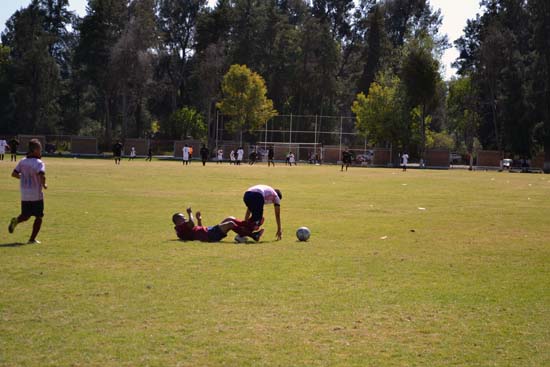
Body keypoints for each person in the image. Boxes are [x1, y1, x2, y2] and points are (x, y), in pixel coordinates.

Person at [8, 139, 47, 244]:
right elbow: (42, 175)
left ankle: (16, 221)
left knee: (25, 215)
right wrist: (44, 184)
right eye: (40, 149)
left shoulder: (22, 161)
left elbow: (14, 174)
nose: (41, 152)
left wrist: (24, 177)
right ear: (35, 150)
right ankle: (32, 239)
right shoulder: (39, 163)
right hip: (36, 194)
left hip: (24, 194)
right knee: (39, 216)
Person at [173, 207, 264, 242]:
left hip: (209, 231)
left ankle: (247, 226)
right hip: (210, 235)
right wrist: (190, 213)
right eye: (182, 217)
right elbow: (191, 224)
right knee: (230, 223)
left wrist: (199, 220)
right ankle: (253, 235)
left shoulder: (182, 227)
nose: (184, 218)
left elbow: (196, 230)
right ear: (177, 221)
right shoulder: (180, 228)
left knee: (230, 218)